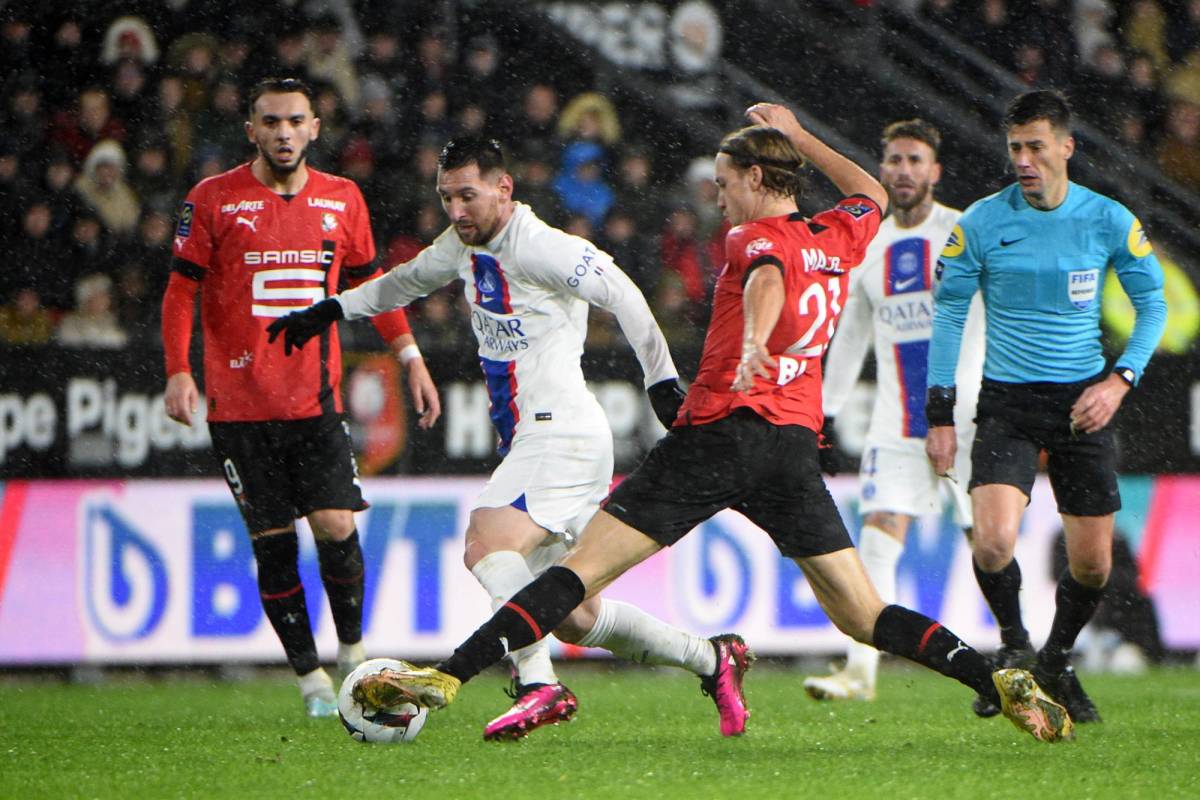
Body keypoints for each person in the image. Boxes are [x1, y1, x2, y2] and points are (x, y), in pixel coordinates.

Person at [321, 104, 1075, 745]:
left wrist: (753, 340)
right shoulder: (837, 236)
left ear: (754, 180)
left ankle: (447, 679)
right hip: (788, 450)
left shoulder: (756, 239)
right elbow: (869, 190)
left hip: (716, 438)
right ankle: (996, 677)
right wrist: (800, 134)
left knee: (576, 573)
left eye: (722, 183)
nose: (717, 198)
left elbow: (767, 281)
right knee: (862, 613)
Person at [267, 136, 746, 741]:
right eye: (446, 198)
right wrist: (327, 312)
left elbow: (623, 292)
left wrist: (661, 381)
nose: (456, 210)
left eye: (468, 195)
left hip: (560, 432)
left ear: (503, 189)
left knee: (485, 536)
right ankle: (713, 659)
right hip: (541, 438)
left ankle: (538, 683)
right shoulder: (462, 245)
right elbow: (403, 283)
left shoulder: (542, 246)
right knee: (572, 614)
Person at [160, 78, 441, 718]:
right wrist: (179, 370)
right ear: (250, 130)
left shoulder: (343, 199)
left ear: (315, 127)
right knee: (274, 543)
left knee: (338, 526)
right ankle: (310, 679)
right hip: (238, 408)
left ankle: (352, 653)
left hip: (315, 403)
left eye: (294, 121)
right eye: (270, 122)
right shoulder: (213, 199)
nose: (283, 133)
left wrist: (410, 355)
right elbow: (181, 291)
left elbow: (373, 286)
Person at [925, 90, 1168, 725]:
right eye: (1015, 148)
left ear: (1066, 146)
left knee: (1094, 563)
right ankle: (1014, 646)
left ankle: (1057, 659)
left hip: (1084, 401)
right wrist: (941, 414)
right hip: (1008, 402)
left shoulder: (1109, 220)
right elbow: (948, 312)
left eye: (1036, 146)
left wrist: (1118, 381)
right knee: (993, 543)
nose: (1025, 160)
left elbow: (1155, 307)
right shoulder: (980, 222)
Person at [803, 119, 985, 703]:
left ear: (934, 170)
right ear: (881, 169)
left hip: (969, 419)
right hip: (895, 419)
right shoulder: (869, 244)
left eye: (915, 160)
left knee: (990, 543)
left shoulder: (963, 231)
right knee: (878, 537)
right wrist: (825, 412)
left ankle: (1023, 652)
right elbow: (850, 332)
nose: (903, 170)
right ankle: (860, 671)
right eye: (894, 160)